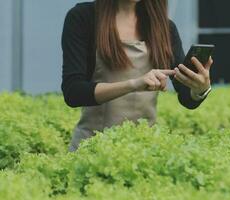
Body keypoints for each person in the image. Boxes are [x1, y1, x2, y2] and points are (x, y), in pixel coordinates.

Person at [61, 0, 214, 152]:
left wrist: (200, 89)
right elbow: (73, 92)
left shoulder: (164, 27)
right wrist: (134, 84)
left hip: (145, 151)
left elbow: (187, 97)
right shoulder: (83, 17)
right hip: (92, 148)